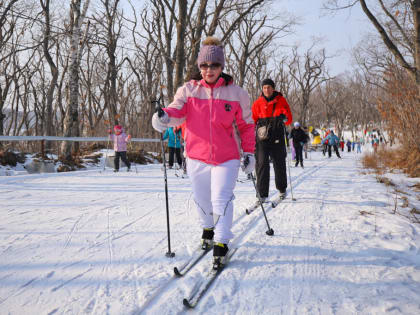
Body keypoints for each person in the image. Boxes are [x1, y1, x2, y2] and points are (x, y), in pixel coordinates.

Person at [151, 36, 255, 270]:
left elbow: (247, 125)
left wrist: (249, 153)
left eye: (214, 65)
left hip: (226, 156)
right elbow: (176, 111)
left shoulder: (236, 93)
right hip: (196, 155)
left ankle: (221, 243)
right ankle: (208, 229)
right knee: (201, 200)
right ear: (199, 67)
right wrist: (163, 118)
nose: (209, 70)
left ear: (222, 66)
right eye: (205, 65)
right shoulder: (188, 90)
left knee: (221, 198)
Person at [252, 78, 293, 202]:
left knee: (279, 163)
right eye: (264, 88)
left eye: (269, 87)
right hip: (262, 137)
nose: (266, 90)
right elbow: (251, 121)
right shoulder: (257, 103)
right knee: (262, 164)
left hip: (277, 136)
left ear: (273, 88)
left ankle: (282, 189)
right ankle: (262, 194)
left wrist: (284, 118)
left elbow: (289, 119)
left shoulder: (281, 100)